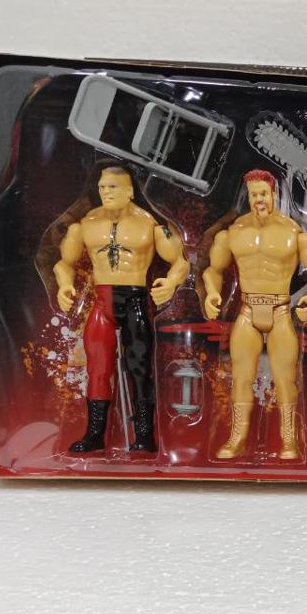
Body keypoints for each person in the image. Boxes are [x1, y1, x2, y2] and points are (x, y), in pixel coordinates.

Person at [53, 165, 188, 454]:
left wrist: (171, 282)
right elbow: (63, 263)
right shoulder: (85, 224)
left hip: (135, 300)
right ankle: (94, 435)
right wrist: (64, 286)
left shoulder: (150, 225)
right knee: (98, 369)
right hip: (102, 302)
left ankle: (145, 435)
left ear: (129, 191)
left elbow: (180, 261)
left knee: (139, 369)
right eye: (102, 187)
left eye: (112, 187)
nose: (105, 192)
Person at [203, 169, 307, 460]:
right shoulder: (233, 232)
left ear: (274, 194)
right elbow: (213, 270)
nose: (259, 199)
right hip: (247, 310)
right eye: (253, 195)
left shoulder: (293, 233)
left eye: (263, 193)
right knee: (241, 377)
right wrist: (211, 293)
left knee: (286, 379)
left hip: (280, 311)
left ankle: (289, 440)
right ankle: (237, 437)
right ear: (247, 196)